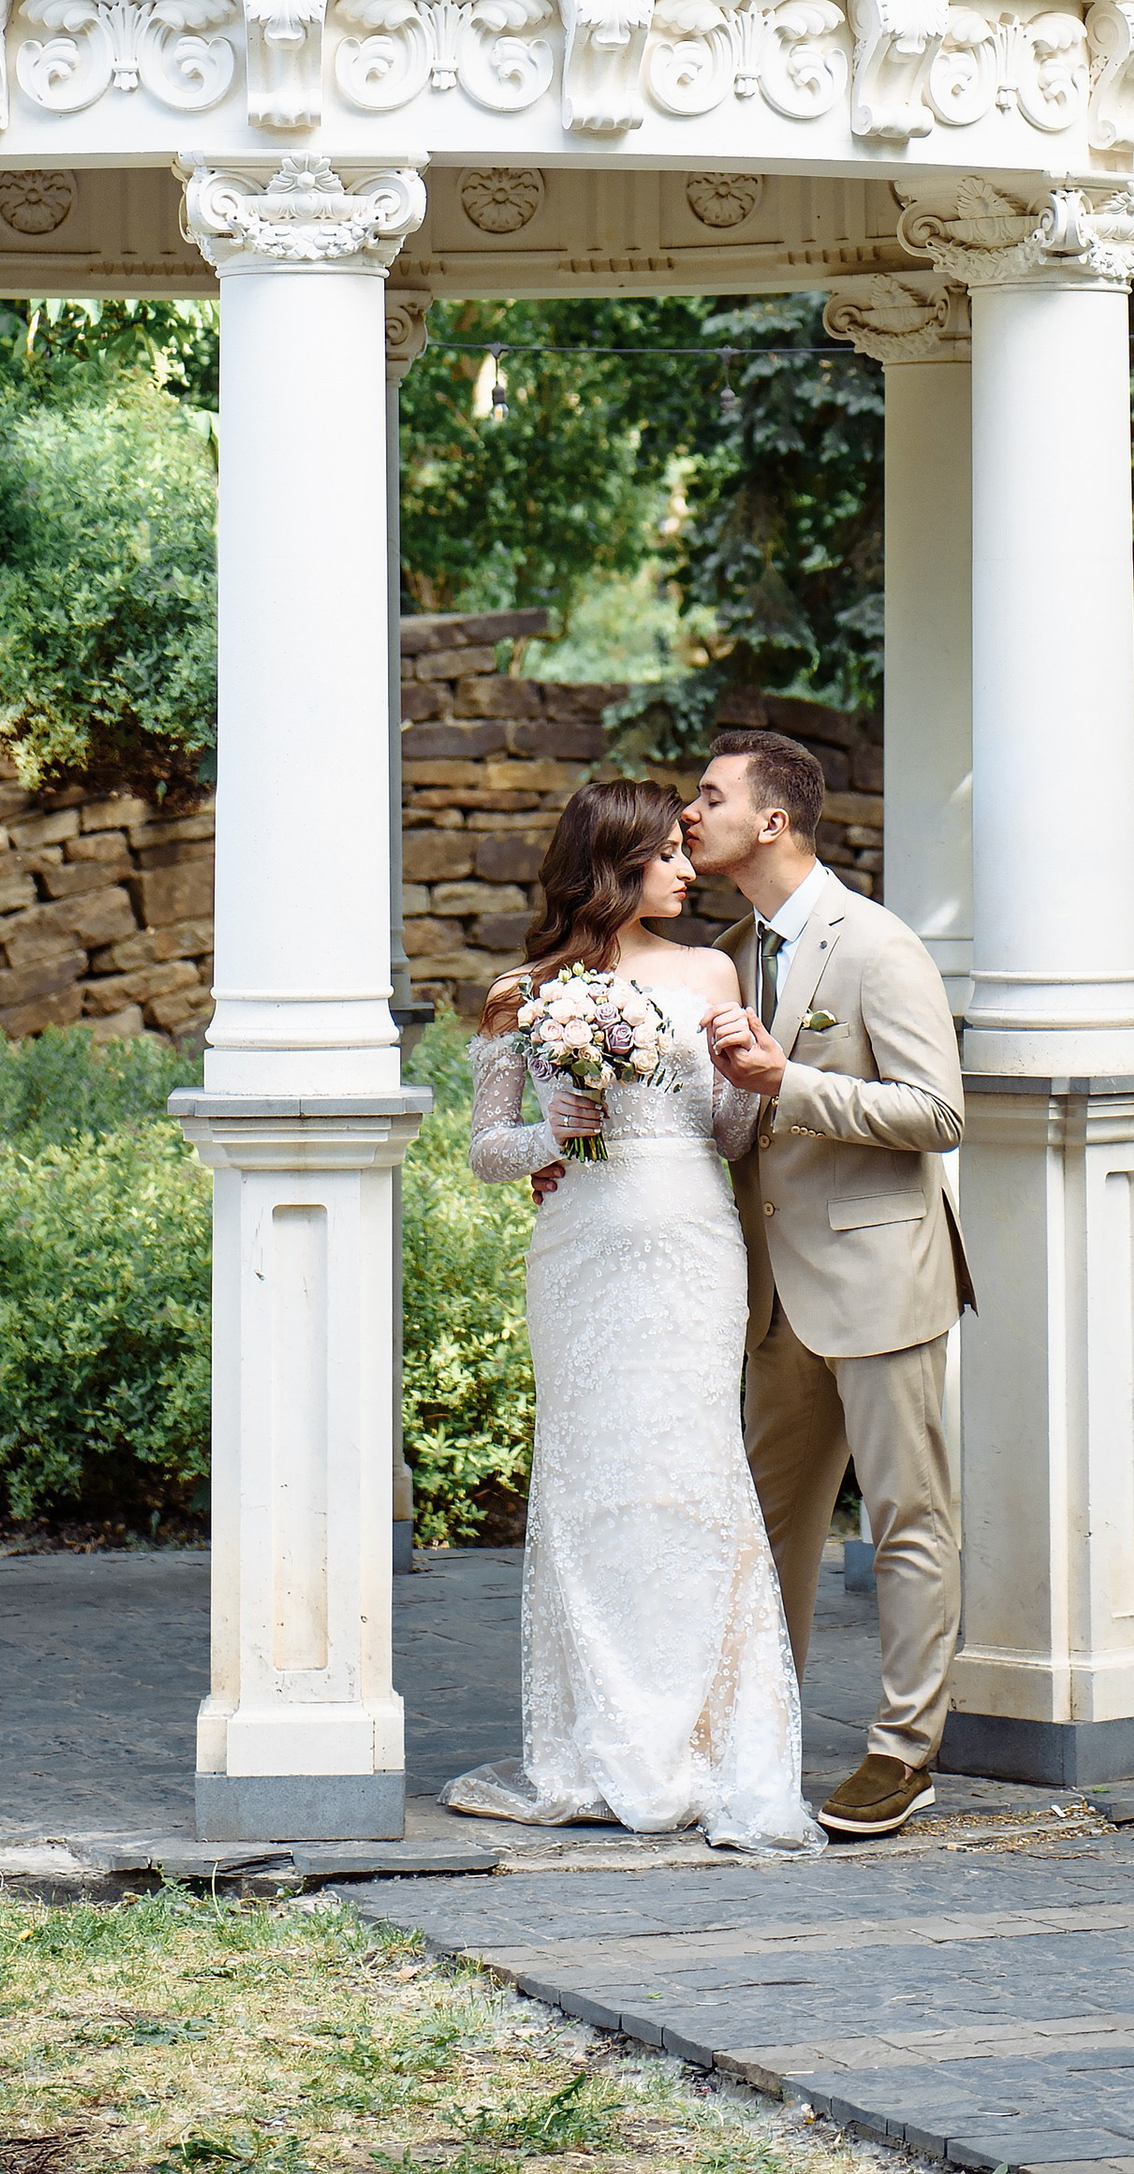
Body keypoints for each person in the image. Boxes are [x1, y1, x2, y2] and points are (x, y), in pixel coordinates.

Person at [441, 776, 823, 1852]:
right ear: (613, 865)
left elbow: (730, 1133)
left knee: (692, 1472)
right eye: (664, 855)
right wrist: (556, 1131)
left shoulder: (709, 969)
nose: (687, 868)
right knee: (592, 1477)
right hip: (582, 1254)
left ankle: (704, 1738)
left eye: (683, 851)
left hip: (693, 1244)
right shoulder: (524, 993)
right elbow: (486, 1150)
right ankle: (597, 1738)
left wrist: (749, 1075)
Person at [687, 732, 970, 1842]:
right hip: (772, 1296)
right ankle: (757, 1737)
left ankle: (904, 1753)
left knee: (907, 1517)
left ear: (771, 821)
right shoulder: (730, 948)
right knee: (765, 1528)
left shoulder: (878, 947)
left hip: (881, 1275)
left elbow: (937, 1114)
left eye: (709, 795)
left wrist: (790, 1080)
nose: (689, 810)